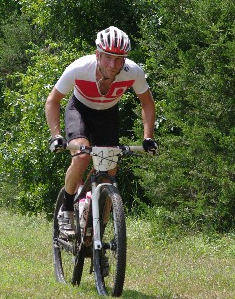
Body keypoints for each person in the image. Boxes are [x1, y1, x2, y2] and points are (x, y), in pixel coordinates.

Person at [45, 26, 157, 238]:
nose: (113, 65)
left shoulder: (133, 72)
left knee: (108, 176)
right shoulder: (79, 68)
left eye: (119, 59)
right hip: (79, 110)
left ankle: (97, 239)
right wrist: (56, 135)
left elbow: (147, 103)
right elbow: (53, 101)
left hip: (107, 114)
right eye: (107, 58)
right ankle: (66, 208)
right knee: (82, 157)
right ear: (97, 54)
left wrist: (148, 137)